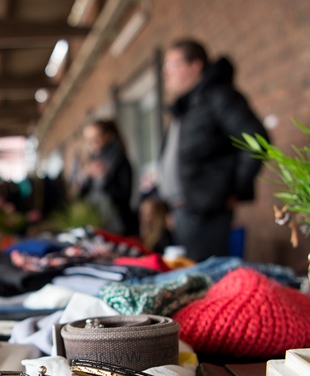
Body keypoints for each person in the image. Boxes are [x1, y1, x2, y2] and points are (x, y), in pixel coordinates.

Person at [157, 38, 268, 261]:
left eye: (172, 65)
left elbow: (256, 141)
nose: (166, 73)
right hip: (183, 213)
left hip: (208, 212)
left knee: (210, 281)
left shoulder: (217, 97)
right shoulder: (185, 107)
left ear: (195, 66)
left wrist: (233, 190)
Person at [78, 118, 139, 236]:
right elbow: (80, 198)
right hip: (96, 223)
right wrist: (86, 178)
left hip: (118, 226)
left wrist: (103, 177)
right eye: (88, 140)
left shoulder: (120, 161)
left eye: (95, 139)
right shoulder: (92, 162)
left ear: (109, 136)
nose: (91, 144)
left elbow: (124, 196)